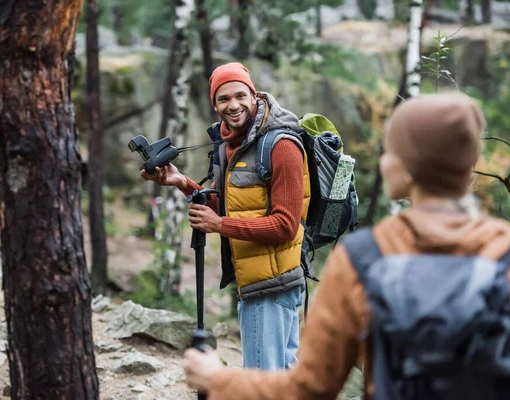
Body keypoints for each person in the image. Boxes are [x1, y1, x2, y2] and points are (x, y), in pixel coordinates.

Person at [182, 93, 510, 399]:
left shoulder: (365, 258)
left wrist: (215, 378)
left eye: (391, 151)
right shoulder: (503, 250)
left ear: (406, 167)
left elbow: (310, 387)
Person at [141, 62, 310, 371]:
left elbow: (286, 225)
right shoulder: (232, 144)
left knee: (262, 383)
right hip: (257, 280)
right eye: (223, 99)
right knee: (282, 378)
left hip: (271, 286)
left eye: (240, 95)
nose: (233, 105)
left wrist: (219, 226)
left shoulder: (281, 146)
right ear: (214, 104)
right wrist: (182, 183)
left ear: (254, 95)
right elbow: (232, 204)